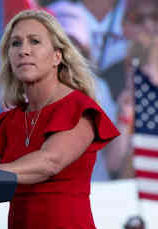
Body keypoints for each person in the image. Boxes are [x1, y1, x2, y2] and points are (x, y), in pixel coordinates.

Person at [0, 9, 120, 229]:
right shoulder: (10, 120)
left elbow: (49, 162)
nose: (23, 50)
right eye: (15, 43)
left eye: (34, 41)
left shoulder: (78, 107)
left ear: (57, 56)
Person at [48, 0, 118, 181]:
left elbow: (113, 156)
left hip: (98, 192)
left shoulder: (99, 88)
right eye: (62, 43)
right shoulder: (25, 93)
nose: (68, 53)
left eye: (74, 44)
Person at [107, 34, 158, 179]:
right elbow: (113, 164)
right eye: (132, 78)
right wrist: (123, 121)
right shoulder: (125, 111)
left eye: (146, 79)